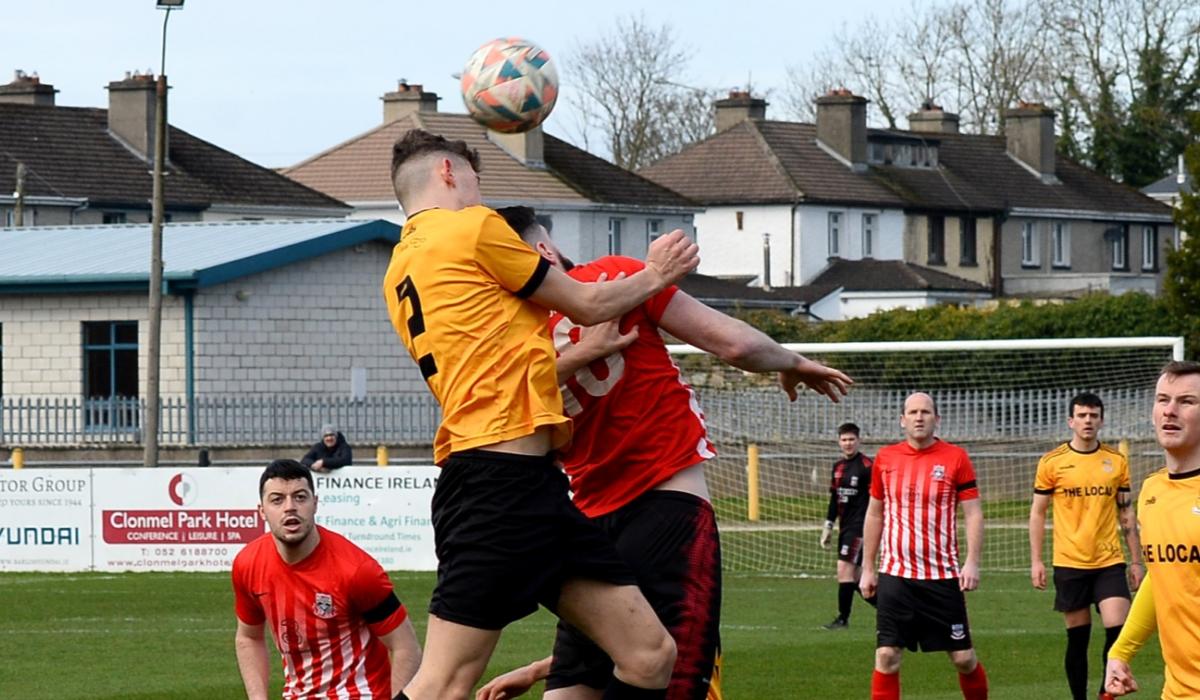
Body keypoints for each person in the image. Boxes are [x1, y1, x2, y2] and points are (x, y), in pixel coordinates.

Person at [471, 206, 852, 700]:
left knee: (574, 687)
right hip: (666, 504)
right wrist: (793, 360)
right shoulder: (616, 278)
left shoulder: (510, 341)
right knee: (673, 676)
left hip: (581, 523)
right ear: (544, 251)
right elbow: (732, 345)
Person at [382, 129, 700, 700]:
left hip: (531, 487)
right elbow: (587, 301)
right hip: (495, 488)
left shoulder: (400, 271)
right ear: (450, 173)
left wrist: (577, 355)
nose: (482, 197)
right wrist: (656, 273)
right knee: (444, 682)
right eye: (476, 181)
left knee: (649, 655)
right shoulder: (472, 228)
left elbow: (496, 371)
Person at [232, 459, 421, 699]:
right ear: (262, 511)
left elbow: (406, 647)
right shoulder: (248, 564)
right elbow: (248, 637)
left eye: (300, 497)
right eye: (277, 500)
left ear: (315, 503)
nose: (290, 507)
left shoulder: (357, 570)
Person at [859, 392, 989, 700]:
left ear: (937, 419)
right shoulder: (885, 459)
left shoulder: (956, 458)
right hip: (896, 575)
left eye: (926, 412)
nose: (919, 417)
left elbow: (973, 513)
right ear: (902, 420)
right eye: (913, 412)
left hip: (942, 577)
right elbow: (875, 512)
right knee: (887, 656)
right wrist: (867, 568)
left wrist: (971, 561)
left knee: (963, 658)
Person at [1029, 392, 1143, 700]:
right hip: (1069, 563)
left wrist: (1136, 561)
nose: (1088, 421)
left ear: (1101, 420)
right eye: (1082, 416)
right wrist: (1036, 561)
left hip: (1109, 561)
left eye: (1093, 416)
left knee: (1117, 633)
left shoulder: (1116, 462)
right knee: (1077, 640)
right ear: (1071, 421)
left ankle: (1105, 694)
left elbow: (1126, 512)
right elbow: (1038, 512)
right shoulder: (1052, 462)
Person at [1105, 360, 1200, 698]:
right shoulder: (1152, 491)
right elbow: (1162, 575)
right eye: (1163, 399)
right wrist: (1121, 651)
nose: (1170, 411)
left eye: (1186, 402)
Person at [820, 421, 873, 630]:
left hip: (860, 527)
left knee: (844, 571)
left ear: (858, 441)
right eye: (844, 440)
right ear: (839, 442)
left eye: (851, 439)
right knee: (858, 579)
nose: (848, 443)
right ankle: (894, 612)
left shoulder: (868, 466)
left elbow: (877, 499)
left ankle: (843, 619)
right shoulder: (838, 467)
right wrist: (828, 525)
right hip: (845, 527)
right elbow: (835, 499)